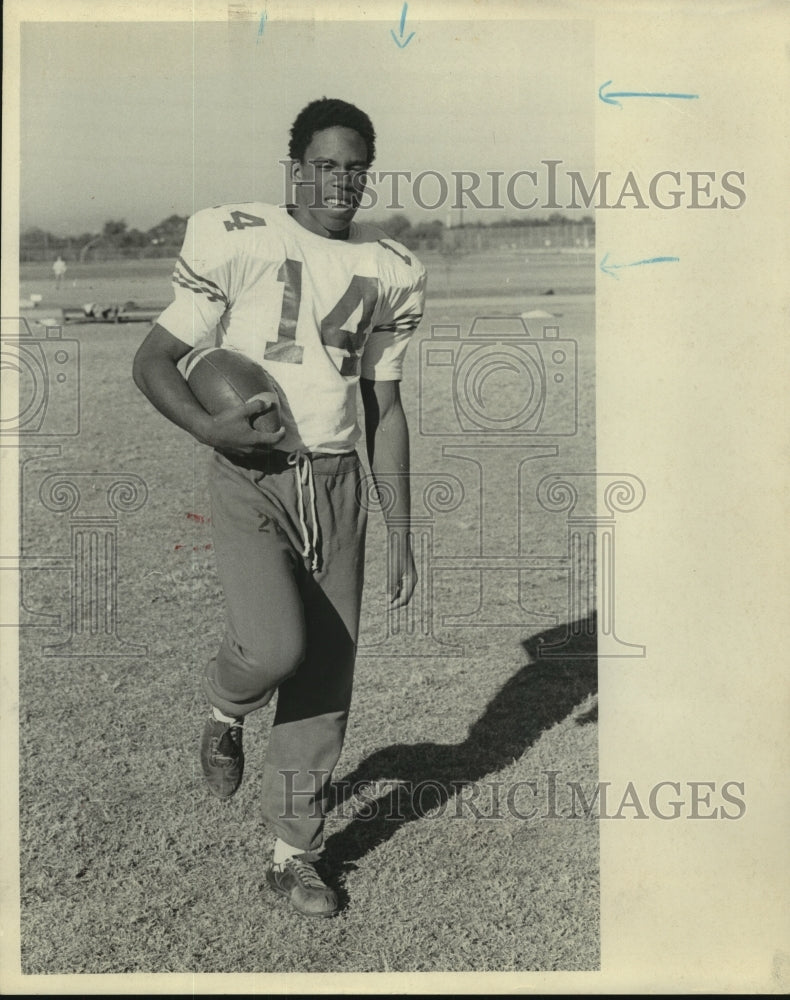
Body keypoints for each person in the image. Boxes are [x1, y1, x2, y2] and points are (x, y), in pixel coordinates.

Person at [132, 98, 425, 918]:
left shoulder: (393, 266)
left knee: (326, 677)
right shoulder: (240, 236)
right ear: (295, 169)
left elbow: (385, 410)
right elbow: (154, 359)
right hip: (251, 474)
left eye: (356, 169)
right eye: (325, 166)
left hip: (335, 482)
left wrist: (401, 530)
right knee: (273, 648)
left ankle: (293, 856)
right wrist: (207, 428)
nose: (341, 182)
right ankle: (226, 709)